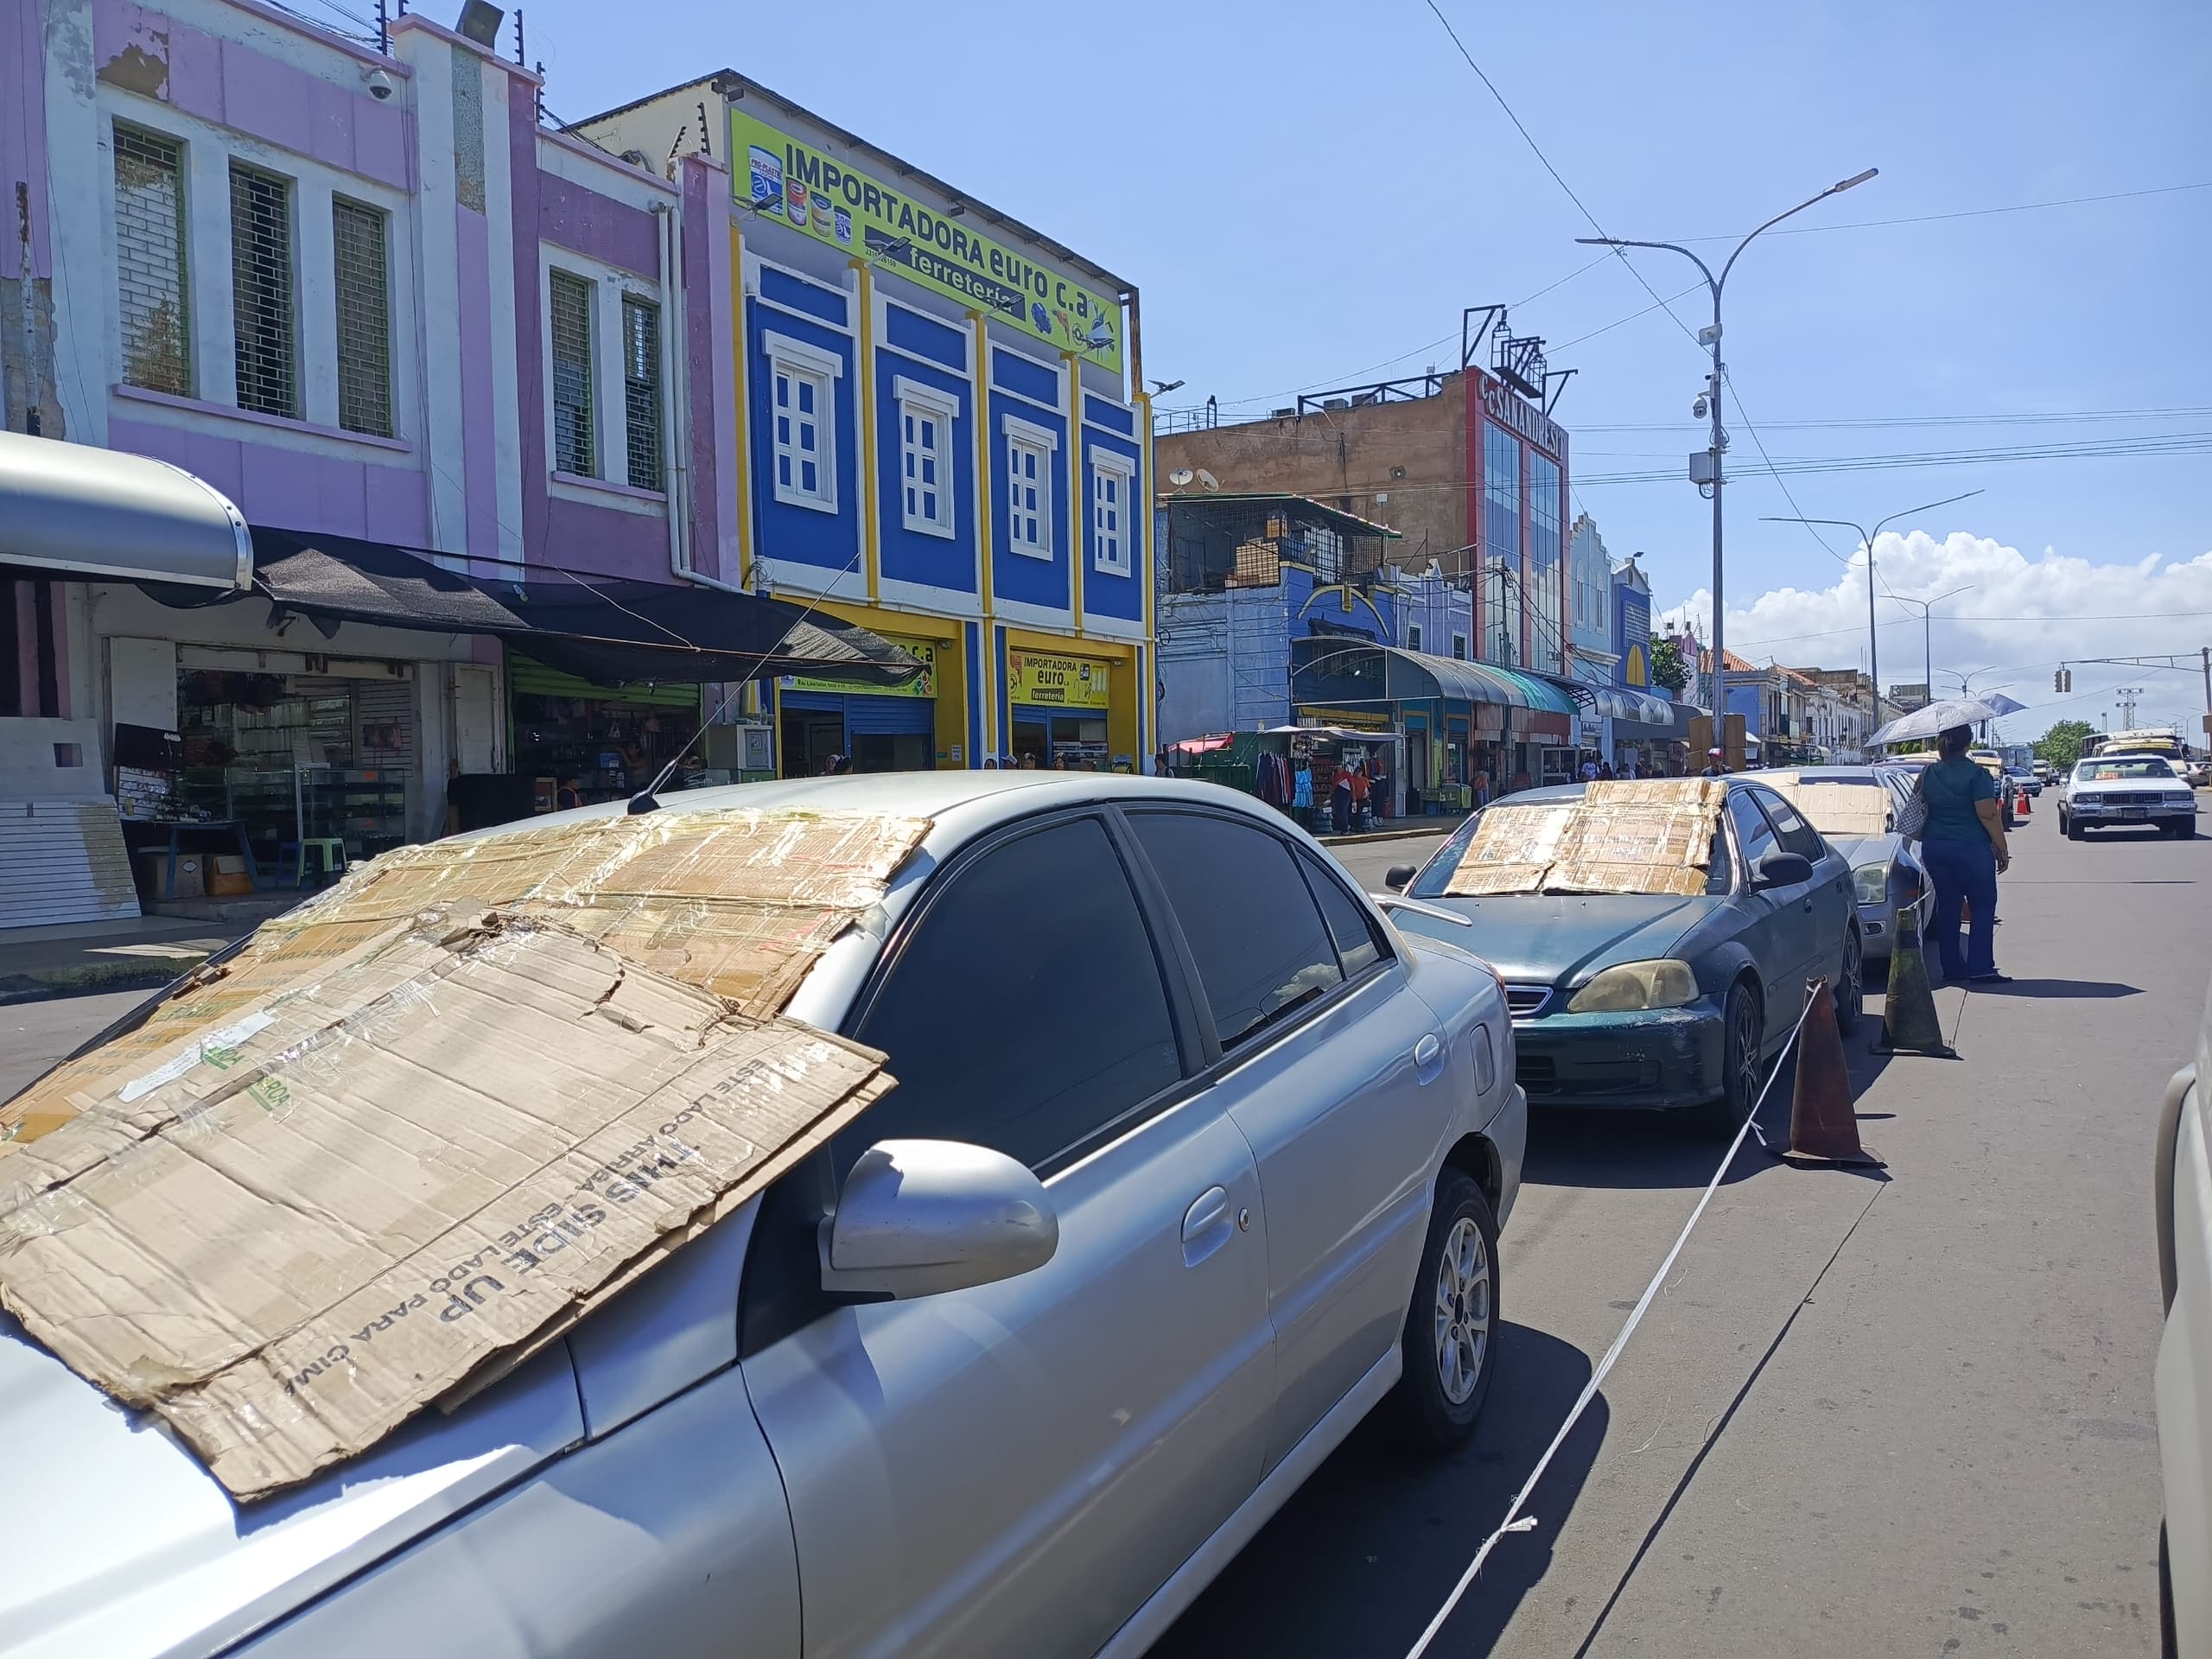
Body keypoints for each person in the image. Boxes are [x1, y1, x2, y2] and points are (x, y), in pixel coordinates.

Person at [1916, 722, 2012, 983]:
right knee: (1982, 906)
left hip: (1935, 846)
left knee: (1949, 907)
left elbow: (1919, 803)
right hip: (1971, 848)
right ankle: (1980, 967)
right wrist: (2002, 849)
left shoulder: (1928, 773)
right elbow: (1989, 814)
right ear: (1968, 744)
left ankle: (1952, 968)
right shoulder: (1977, 775)